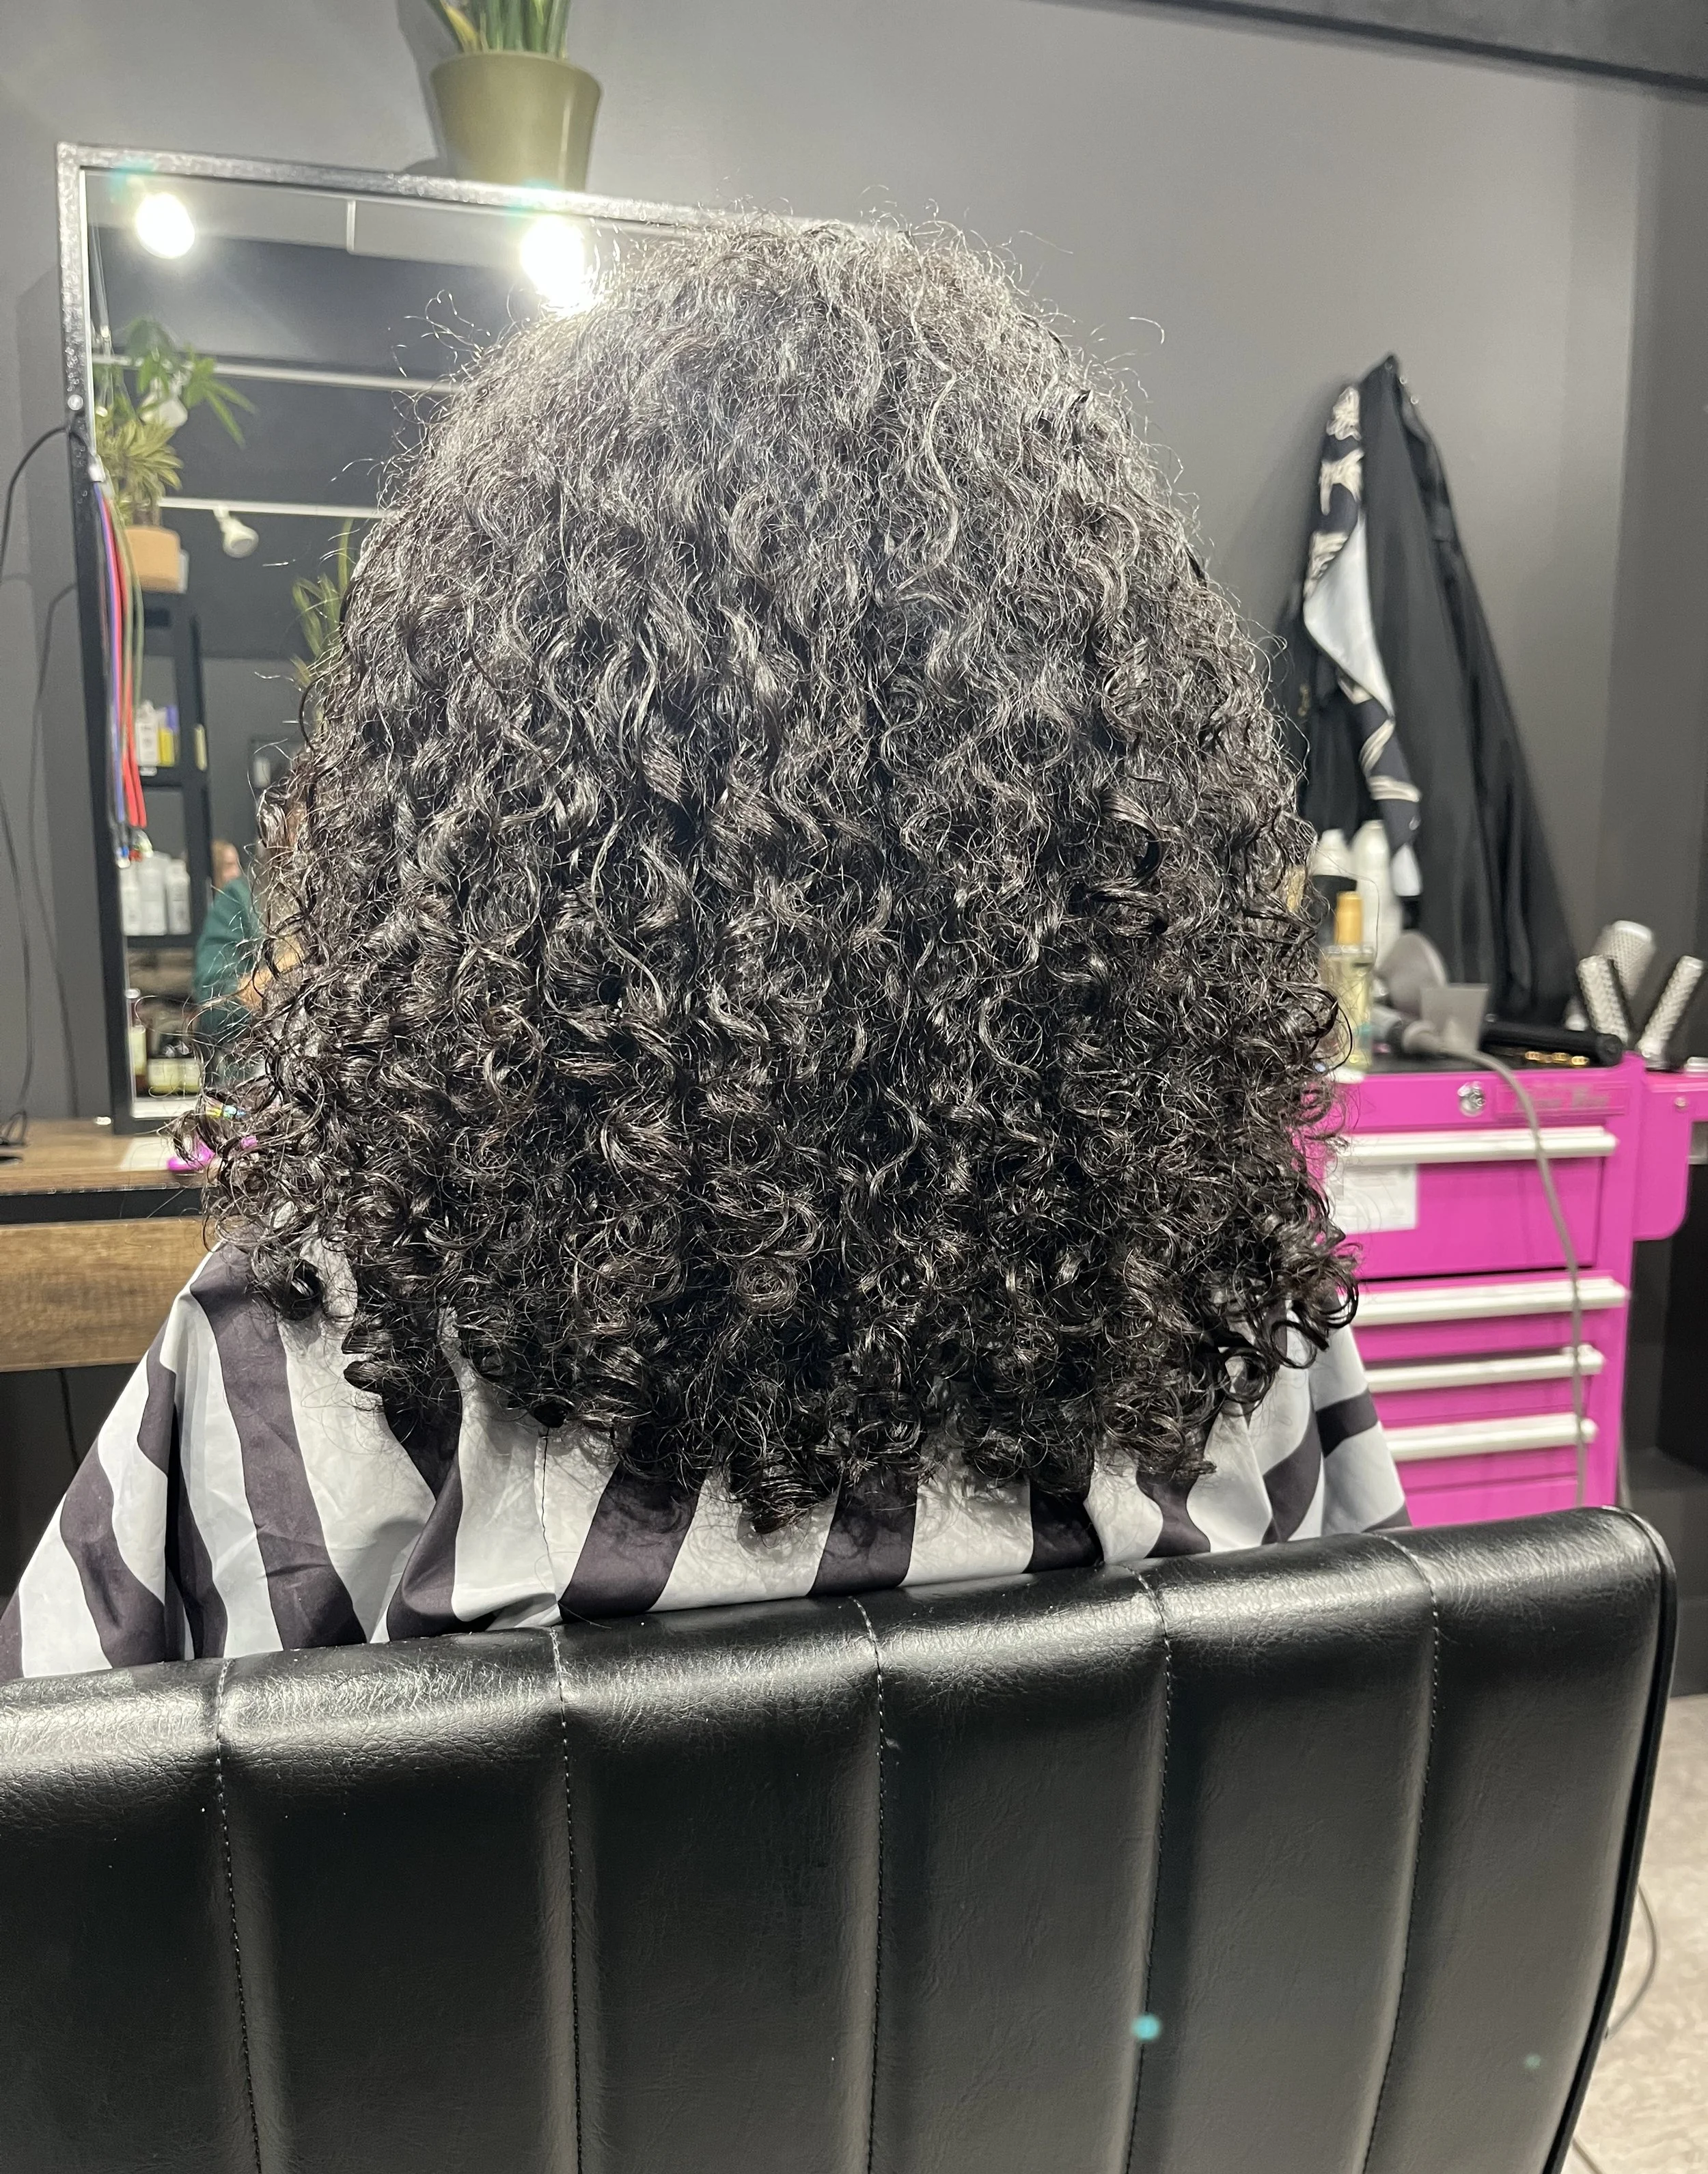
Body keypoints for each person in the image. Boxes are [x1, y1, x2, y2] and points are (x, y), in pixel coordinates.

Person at [1, 220, 1403, 1681]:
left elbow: (79, 1787)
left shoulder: (319, 1353)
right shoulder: (1224, 1312)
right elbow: (1376, 1735)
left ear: (496, 806)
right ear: (1109, 798)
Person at [193, 837, 263, 1056]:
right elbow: (213, 1008)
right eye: (229, 865)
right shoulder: (238, 900)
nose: (236, 872)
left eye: (237, 865)